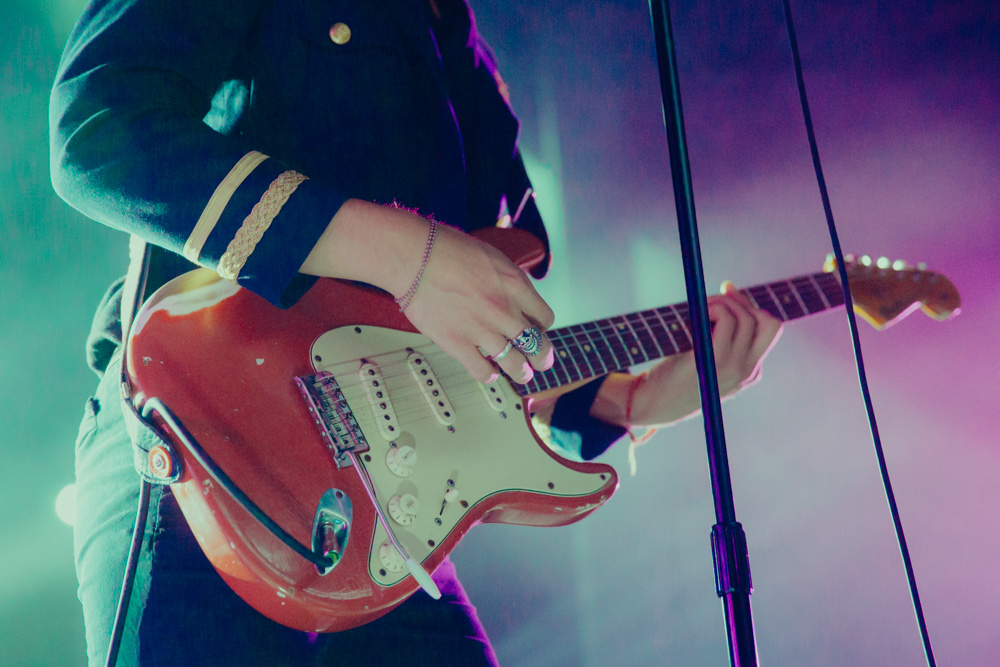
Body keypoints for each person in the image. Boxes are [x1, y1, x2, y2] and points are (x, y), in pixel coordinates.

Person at [50, 0, 782, 665]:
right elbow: (98, 129)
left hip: (386, 513)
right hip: (203, 446)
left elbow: (462, 335)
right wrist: (409, 256)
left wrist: (639, 398)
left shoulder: (462, 52)